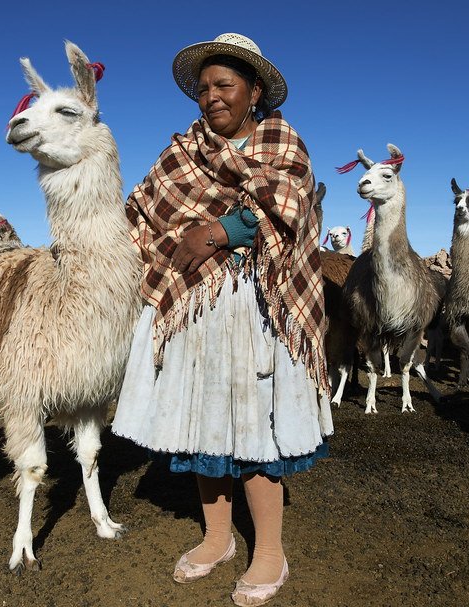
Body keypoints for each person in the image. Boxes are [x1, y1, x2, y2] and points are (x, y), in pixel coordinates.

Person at [113, 33, 333, 606]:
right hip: (195, 306)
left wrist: (217, 231)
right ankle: (217, 537)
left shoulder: (281, 141)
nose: (212, 96)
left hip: (259, 306)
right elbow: (142, 212)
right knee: (203, 418)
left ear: (254, 91)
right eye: (204, 87)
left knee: (256, 424)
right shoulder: (180, 154)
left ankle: (269, 550)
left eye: (225, 85)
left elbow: (291, 204)